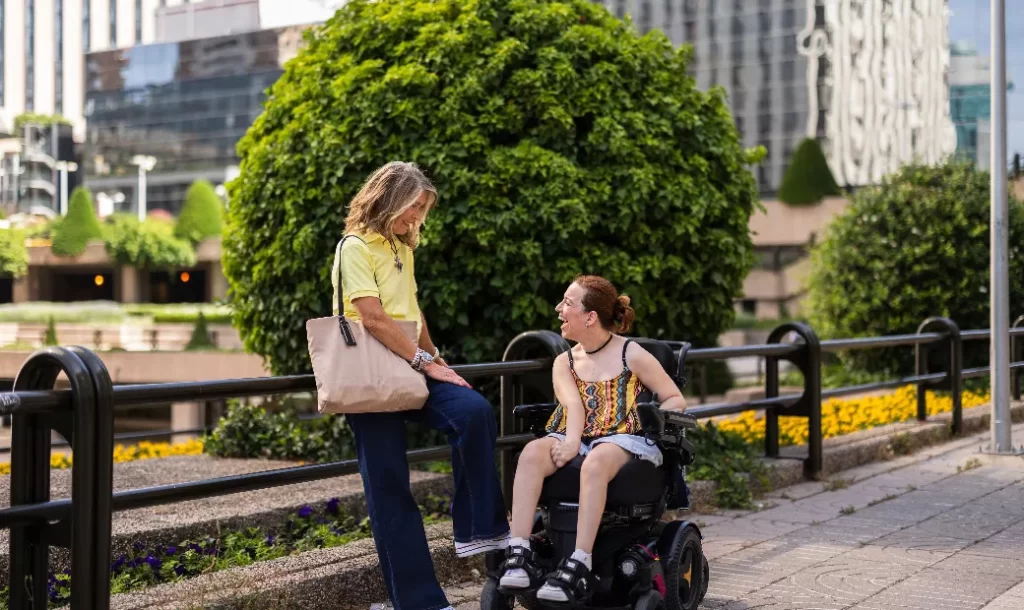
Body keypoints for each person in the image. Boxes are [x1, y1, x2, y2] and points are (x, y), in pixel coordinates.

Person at [336, 162, 510, 610]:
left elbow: (412, 312)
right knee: (389, 490)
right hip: (370, 379)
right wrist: (422, 362)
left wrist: (437, 361)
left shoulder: (402, 248)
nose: (418, 218)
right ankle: (421, 604)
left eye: (423, 210)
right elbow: (371, 316)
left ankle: (478, 531)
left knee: (473, 410)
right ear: (389, 197)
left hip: (412, 366)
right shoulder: (353, 246)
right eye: (414, 207)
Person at [498, 275, 687, 603]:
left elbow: (674, 397)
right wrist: (571, 443)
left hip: (624, 438)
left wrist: (659, 417)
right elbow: (572, 406)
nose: (559, 309)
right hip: (575, 432)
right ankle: (519, 552)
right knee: (530, 453)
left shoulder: (632, 354)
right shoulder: (565, 361)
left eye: (567, 303)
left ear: (590, 317)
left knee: (596, 461)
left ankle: (580, 560)